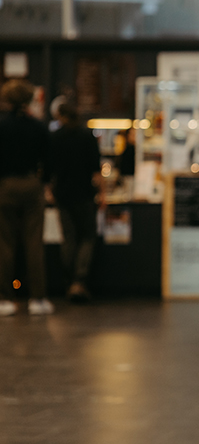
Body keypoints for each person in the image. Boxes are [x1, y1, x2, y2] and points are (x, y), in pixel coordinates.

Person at [0, 79, 52, 316]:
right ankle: (38, 298)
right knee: (34, 242)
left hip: (5, 185)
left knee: (4, 243)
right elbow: (49, 160)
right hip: (32, 185)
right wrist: (42, 182)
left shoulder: (1, 125)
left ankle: (5, 299)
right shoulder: (38, 126)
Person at [49, 101, 102, 302]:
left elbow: (48, 169)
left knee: (68, 237)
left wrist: (51, 191)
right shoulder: (86, 136)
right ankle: (80, 281)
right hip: (84, 194)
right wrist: (102, 194)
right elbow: (96, 171)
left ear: (61, 116)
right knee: (88, 236)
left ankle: (68, 281)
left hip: (62, 195)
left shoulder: (55, 137)